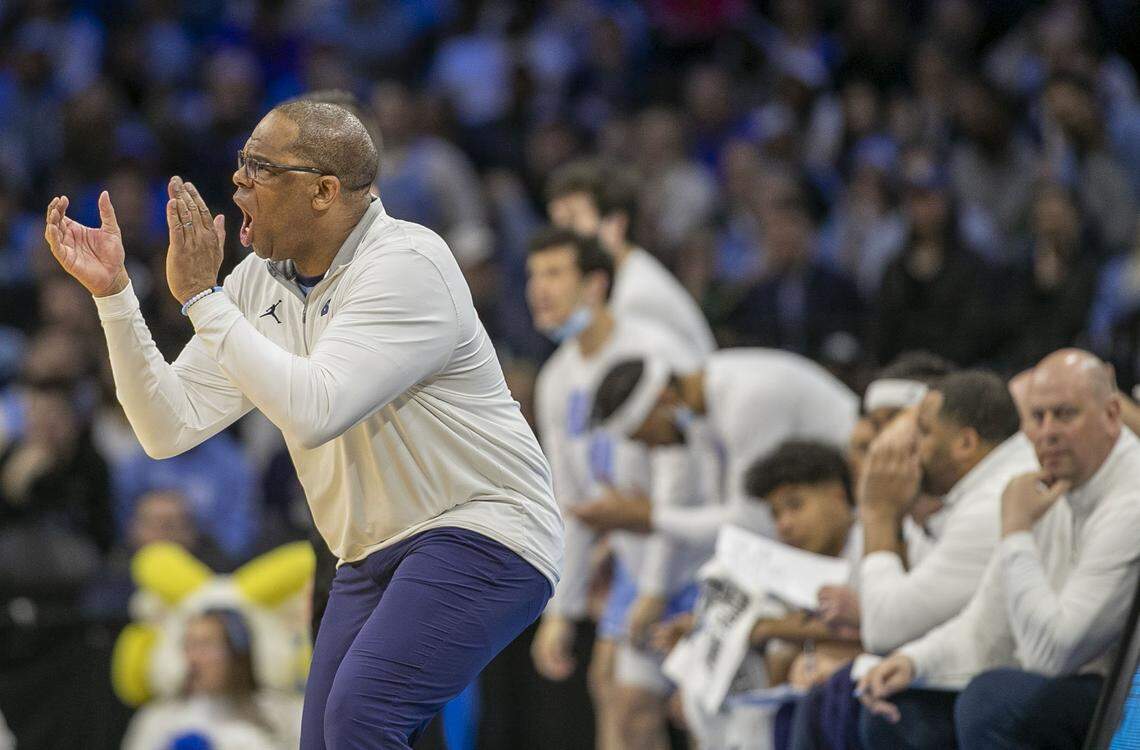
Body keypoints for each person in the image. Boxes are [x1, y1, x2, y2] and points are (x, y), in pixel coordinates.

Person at [43, 100, 563, 749]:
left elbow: (316, 410)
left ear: (324, 191)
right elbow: (166, 427)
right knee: (322, 737)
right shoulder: (261, 281)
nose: (237, 185)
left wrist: (203, 300)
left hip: (482, 528)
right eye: (239, 166)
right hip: (369, 552)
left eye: (260, 168)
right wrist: (115, 297)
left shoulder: (407, 265)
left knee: (361, 716)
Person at [858, 349, 1140, 749]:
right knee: (898, 708)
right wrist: (914, 661)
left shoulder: (1130, 500)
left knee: (994, 700)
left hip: (1128, 707)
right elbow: (986, 620)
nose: (1048, 432)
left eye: (1065, 414)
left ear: (1112, 415)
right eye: (1038, 417)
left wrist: (1016, 532)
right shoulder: (1051, 483)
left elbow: (1053, 654)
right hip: (1075, 684)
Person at [524, 227, 704, 750]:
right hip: (636, 559)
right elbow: (572, 503)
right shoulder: (557, 379)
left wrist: (653, 588)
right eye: (534, 276)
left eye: (555, 273)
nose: (540, 289)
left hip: (696, 551)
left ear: (596, 284)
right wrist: (562, 610)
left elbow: (684, 480)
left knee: (695, 710)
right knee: (619, 699)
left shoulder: (653, 350)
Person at [790, 369, 1036, 750]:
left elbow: (885, 628)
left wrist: (878, 514)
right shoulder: (975, 493)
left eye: (921, 433)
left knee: (889, 711)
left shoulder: (991, 502)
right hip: (981, 662)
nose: (905, 452)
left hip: (1019, 677)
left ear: (965, 443)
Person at [574, 348, 858, 545]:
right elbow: (722, 511)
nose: (653, 449)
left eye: (645, 437)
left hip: (857, 498)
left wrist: (649, 516)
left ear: (663, 401)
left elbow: (754, 522)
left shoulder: (746, 403)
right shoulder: (705, 404)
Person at [545, 159, 717, 358]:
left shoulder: (637, 297)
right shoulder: (609, 285)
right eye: (557, 227)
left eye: (572, 222)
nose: (560, 241)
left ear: (615, 226)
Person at [122, 608, 303, 749]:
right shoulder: (157, 720)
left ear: (237, 653)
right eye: (189, 645)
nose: (193, 658)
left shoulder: (283, 714)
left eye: (206, 645)